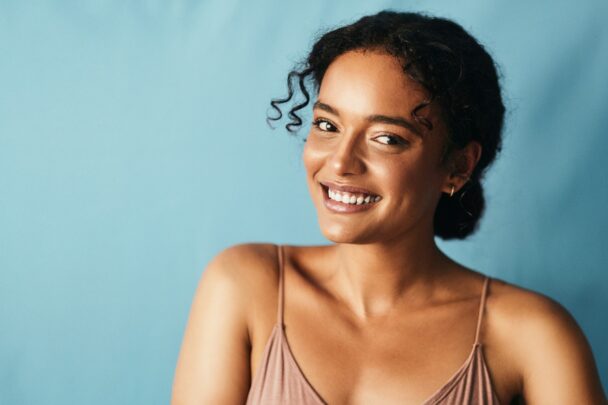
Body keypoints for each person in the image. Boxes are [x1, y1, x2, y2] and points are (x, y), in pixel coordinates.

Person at [171, 10, 606, 404]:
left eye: (386, 138)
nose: (340, 163)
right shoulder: (245, 285)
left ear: (457, 166)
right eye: (327, 125)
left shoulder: (533, 335)